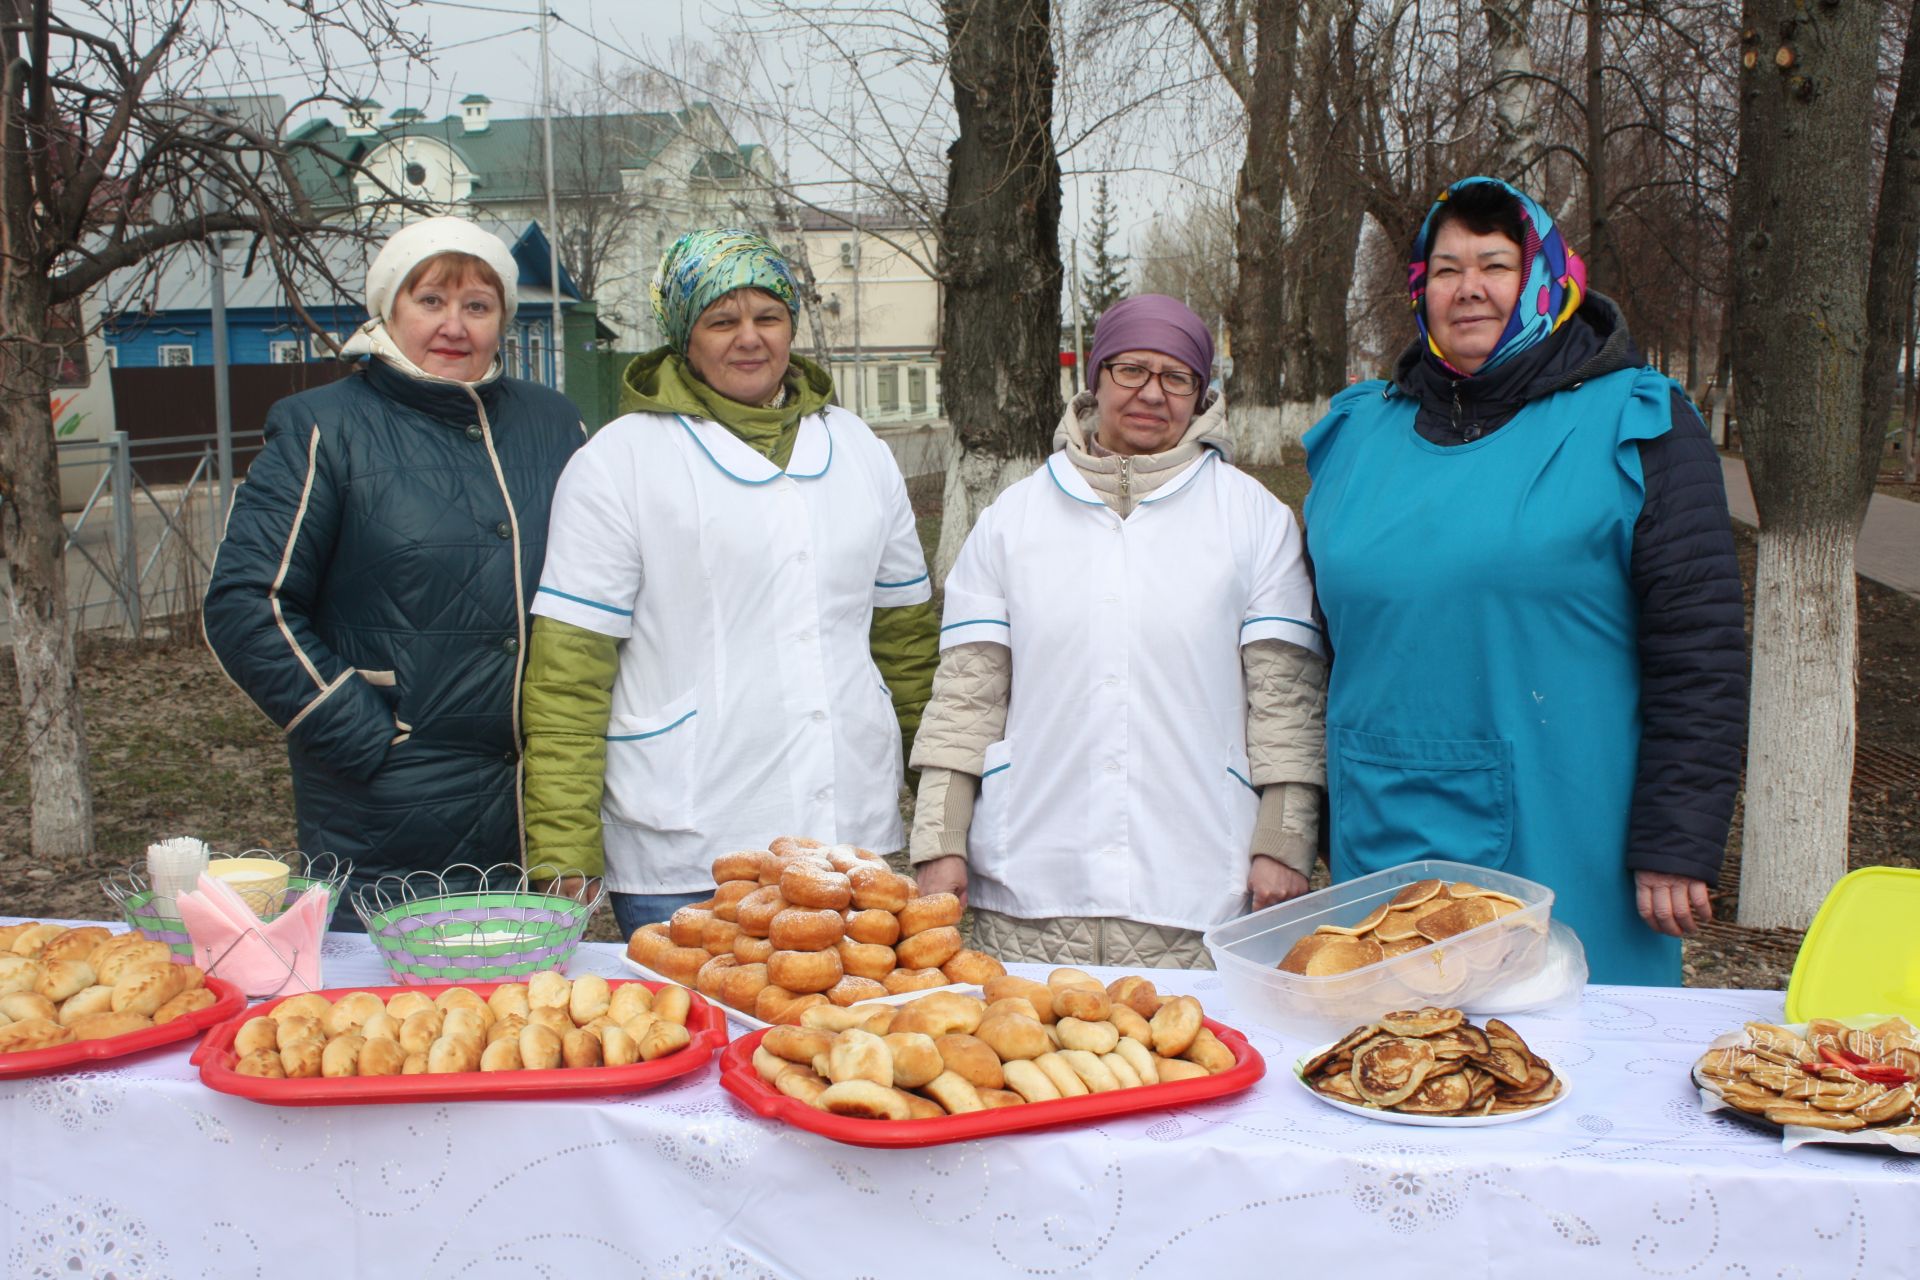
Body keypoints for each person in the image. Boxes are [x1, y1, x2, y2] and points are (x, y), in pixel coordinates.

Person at [1303, 176, 1747, 986]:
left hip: (1572, 824)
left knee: (1571, 1065)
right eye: (1446, 268)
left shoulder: (1638, 424)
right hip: (1382, 828)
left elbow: (1701, 650)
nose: (1468, 288)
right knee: (1399, 1067)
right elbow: (1317, 650)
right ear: (1418, 288)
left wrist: (1677, 839)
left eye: (1495, 265)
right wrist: (1303, 824)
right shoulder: (1355, 434)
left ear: (1545, 276)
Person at [521, 228, 938, 939]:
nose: (749, 338)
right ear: (684, 337)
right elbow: (569, 676)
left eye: (768, 317)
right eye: (722, 320)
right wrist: (561, 845)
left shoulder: (858, 452)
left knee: (845, 1046)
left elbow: (908, 650)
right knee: (706, 1039)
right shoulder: (617, 464)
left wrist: (938, 814)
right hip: (688, 845)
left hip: (850, 835)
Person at [910, 294, 1327, 968]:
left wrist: (1283, 843)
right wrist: (940, 843)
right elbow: (966, 699)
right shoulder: (1012, 521)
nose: (1151, 393)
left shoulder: (1254, 519)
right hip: (1028, 891)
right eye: (1131, 369)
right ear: (1096, 376)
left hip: (1198, 896)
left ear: (1201, 395)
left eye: (1176, 377)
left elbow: (1286, 702)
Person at [204, 217, 587, 922]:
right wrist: (359, 728)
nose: (454, 325)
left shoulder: (553, 424)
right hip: (390, 804)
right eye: (430, 301)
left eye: (478, 305)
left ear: (502, 318)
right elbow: (246, 603)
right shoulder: (324, 426)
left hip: (537, 806)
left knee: (526, 1022)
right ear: (389, 309)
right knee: (399, 1017)